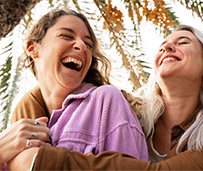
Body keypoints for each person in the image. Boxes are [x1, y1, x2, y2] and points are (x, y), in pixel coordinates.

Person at [9, 25, 203, 170]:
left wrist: (41, 162)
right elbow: (53, 95)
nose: (167, 49)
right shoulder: (126, 109)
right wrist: (15, 148)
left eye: (182, 43)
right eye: (163, 46)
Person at [10, 9, 148, 160]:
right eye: (67, 36)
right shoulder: (20, 127)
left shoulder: (106, 101)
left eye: (88, 44)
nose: (81, 46)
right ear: (33, 49)